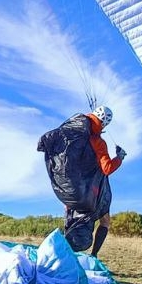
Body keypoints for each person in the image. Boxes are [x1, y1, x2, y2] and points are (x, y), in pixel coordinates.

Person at [38, 105, 126, 257]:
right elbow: (107, 169)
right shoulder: (98, 142)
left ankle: (63, 253)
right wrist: (119, 158)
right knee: (104, 220)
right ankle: (94, 255)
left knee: (71, 213)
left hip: (68, 190)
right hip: (88, 193)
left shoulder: (74, 128)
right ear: (105, 123)